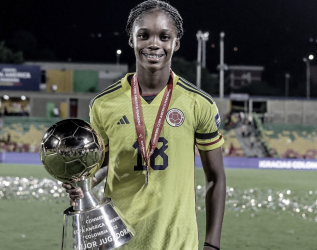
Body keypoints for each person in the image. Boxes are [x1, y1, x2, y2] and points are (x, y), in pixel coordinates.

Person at [63, 1, 226, 249]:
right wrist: (84, 183)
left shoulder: (198, 103)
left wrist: (212, 243)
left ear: (176, 43)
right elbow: (104, 165)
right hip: (118, 239)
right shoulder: (103, 104)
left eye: (164, 36)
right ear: (131, 40)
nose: (154, 44)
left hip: (178, 242)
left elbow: (216, 177)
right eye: (144, 35)